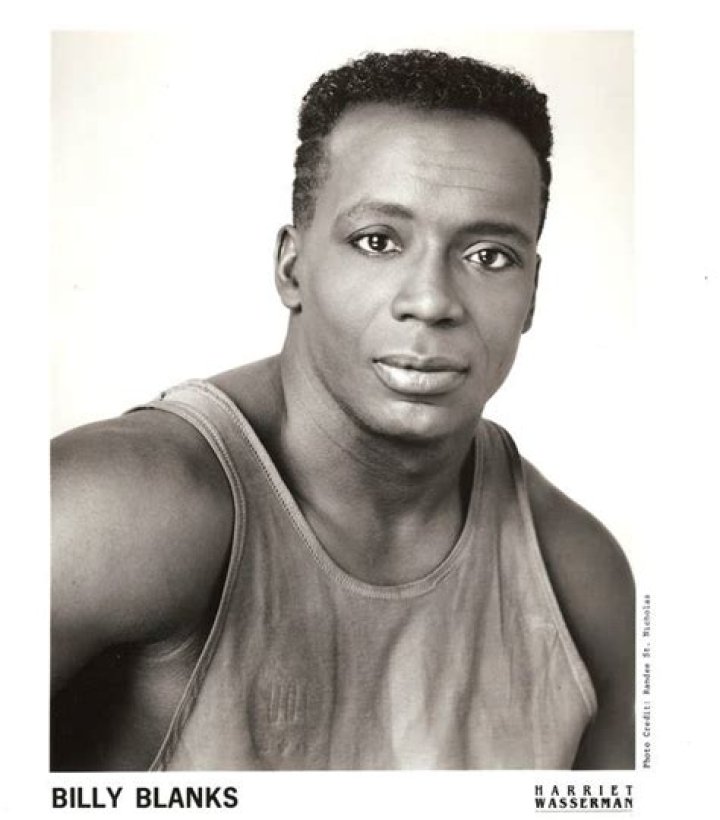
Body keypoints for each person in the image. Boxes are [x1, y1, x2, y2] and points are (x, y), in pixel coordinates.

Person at [51, 49, 634, 771]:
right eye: (377, 241)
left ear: (533, 293)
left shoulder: (578, 572)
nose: (431, 301)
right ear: (291, 267)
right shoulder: (112, 508)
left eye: (488, 256)